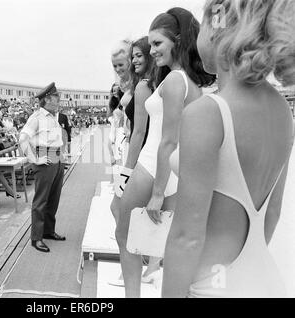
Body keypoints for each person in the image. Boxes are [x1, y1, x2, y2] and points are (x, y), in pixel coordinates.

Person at [163, 0, 295, 298]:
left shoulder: (208, 113)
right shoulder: (282, 111)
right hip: (264, 280)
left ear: (218, 29)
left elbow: (187, 238)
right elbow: (272, 213)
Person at [116, 7, 216, 298]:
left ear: (177, 40)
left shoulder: (174, 80)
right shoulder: (191, 82)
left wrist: (157, 192)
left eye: (158, 43)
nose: (152, 50)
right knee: (163, 243)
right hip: (174, 172)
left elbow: (168, 140)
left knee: (126, 236)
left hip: (153, 168)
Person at [109, 37, 155, 287]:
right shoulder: (132, 85)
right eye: (114, 66)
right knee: (125, 212)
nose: (120, 69)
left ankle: (136, 267)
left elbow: (140, 130)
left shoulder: (142, 85)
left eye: (123, 62)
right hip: (130, 152)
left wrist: (127, 169)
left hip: (137, 156)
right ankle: (141, 266)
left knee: (122, 212)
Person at [19, 82, 66, 253]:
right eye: (56, 97)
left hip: (57, 157)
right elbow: (23, 139)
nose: (59, 100)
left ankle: (48, 231)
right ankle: (36, 237)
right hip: (44, 158)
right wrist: (34, 159)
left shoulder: (54, 115)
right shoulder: (36, 117)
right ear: (47, 99)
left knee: (53, 199)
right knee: (41, 200)